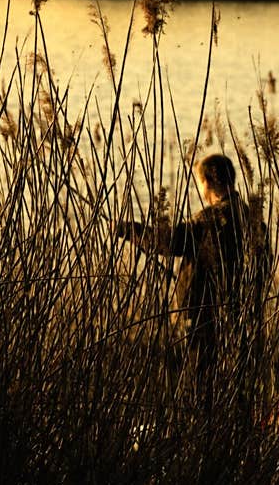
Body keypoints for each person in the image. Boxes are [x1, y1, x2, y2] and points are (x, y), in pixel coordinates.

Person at [114, 154, 270, 396]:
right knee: (236, 385)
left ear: (207, 182)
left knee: (202, 384)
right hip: (242, 316)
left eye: (199, 182)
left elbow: (168, 242)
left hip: (204, 318)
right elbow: (263, 266)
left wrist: (129, 230)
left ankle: (203, 429)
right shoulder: (254, 221)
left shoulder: (208, 220)